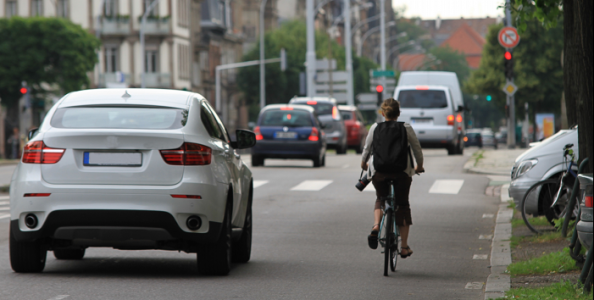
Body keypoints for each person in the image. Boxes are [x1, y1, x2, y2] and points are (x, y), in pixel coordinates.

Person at [360, 98, 424, 258]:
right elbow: (417, 149)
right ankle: (404, 247)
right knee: (402, 205)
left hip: (379, 172)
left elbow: (367, 148)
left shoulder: (375, 127)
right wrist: (419, 166)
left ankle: (376, 227)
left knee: (381, 198)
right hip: (401, 172)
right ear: (398, 113)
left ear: (383, 113)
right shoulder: (406, 127)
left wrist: (363, 163)